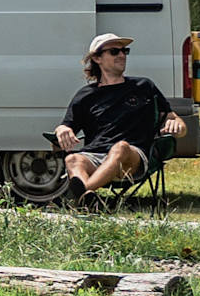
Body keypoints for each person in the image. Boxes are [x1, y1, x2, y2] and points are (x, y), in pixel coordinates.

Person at [53, 31, 184, 195]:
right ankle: (87, 198)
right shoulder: (85, 95)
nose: (122, 55)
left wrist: (177, 124)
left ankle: (82, 193)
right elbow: (64, 131)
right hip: (94, 155)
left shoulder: (143, 86)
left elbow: (174, 120)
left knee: (120, 147)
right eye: (114, 51)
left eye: (124, 51)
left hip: (132, 157)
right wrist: (62, 130)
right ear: (97, 58)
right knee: (72, 159)